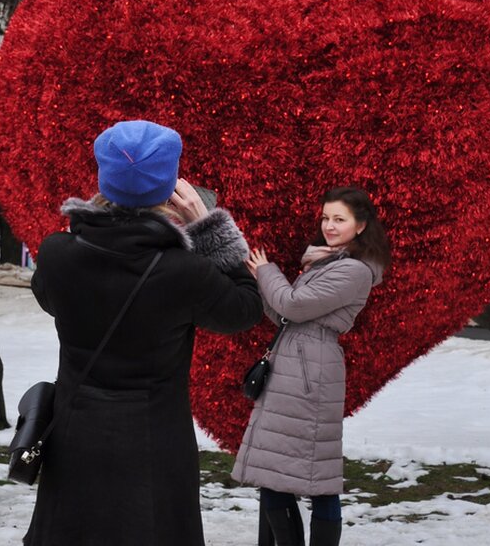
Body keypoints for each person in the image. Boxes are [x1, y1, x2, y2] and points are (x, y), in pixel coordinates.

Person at [24, 120, 263, 545]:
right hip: (154, 442)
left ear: (105, 177)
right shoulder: (184, 272)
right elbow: (245, 308)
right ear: (171, 186)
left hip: (76, 436)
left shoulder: (58, 254)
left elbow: (48, 298)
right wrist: (209, 227)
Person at [232, 187, 391, 546]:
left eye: (339, 219)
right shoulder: (325, 261)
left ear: (361, 226)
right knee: (274, 473)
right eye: (325, 218)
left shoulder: (354, 270)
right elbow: (285, 314)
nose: (329, 227)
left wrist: (266, 271)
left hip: (310, 375)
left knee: (318, 479)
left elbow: (294, 305)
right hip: (296, 363)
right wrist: (258, 282)